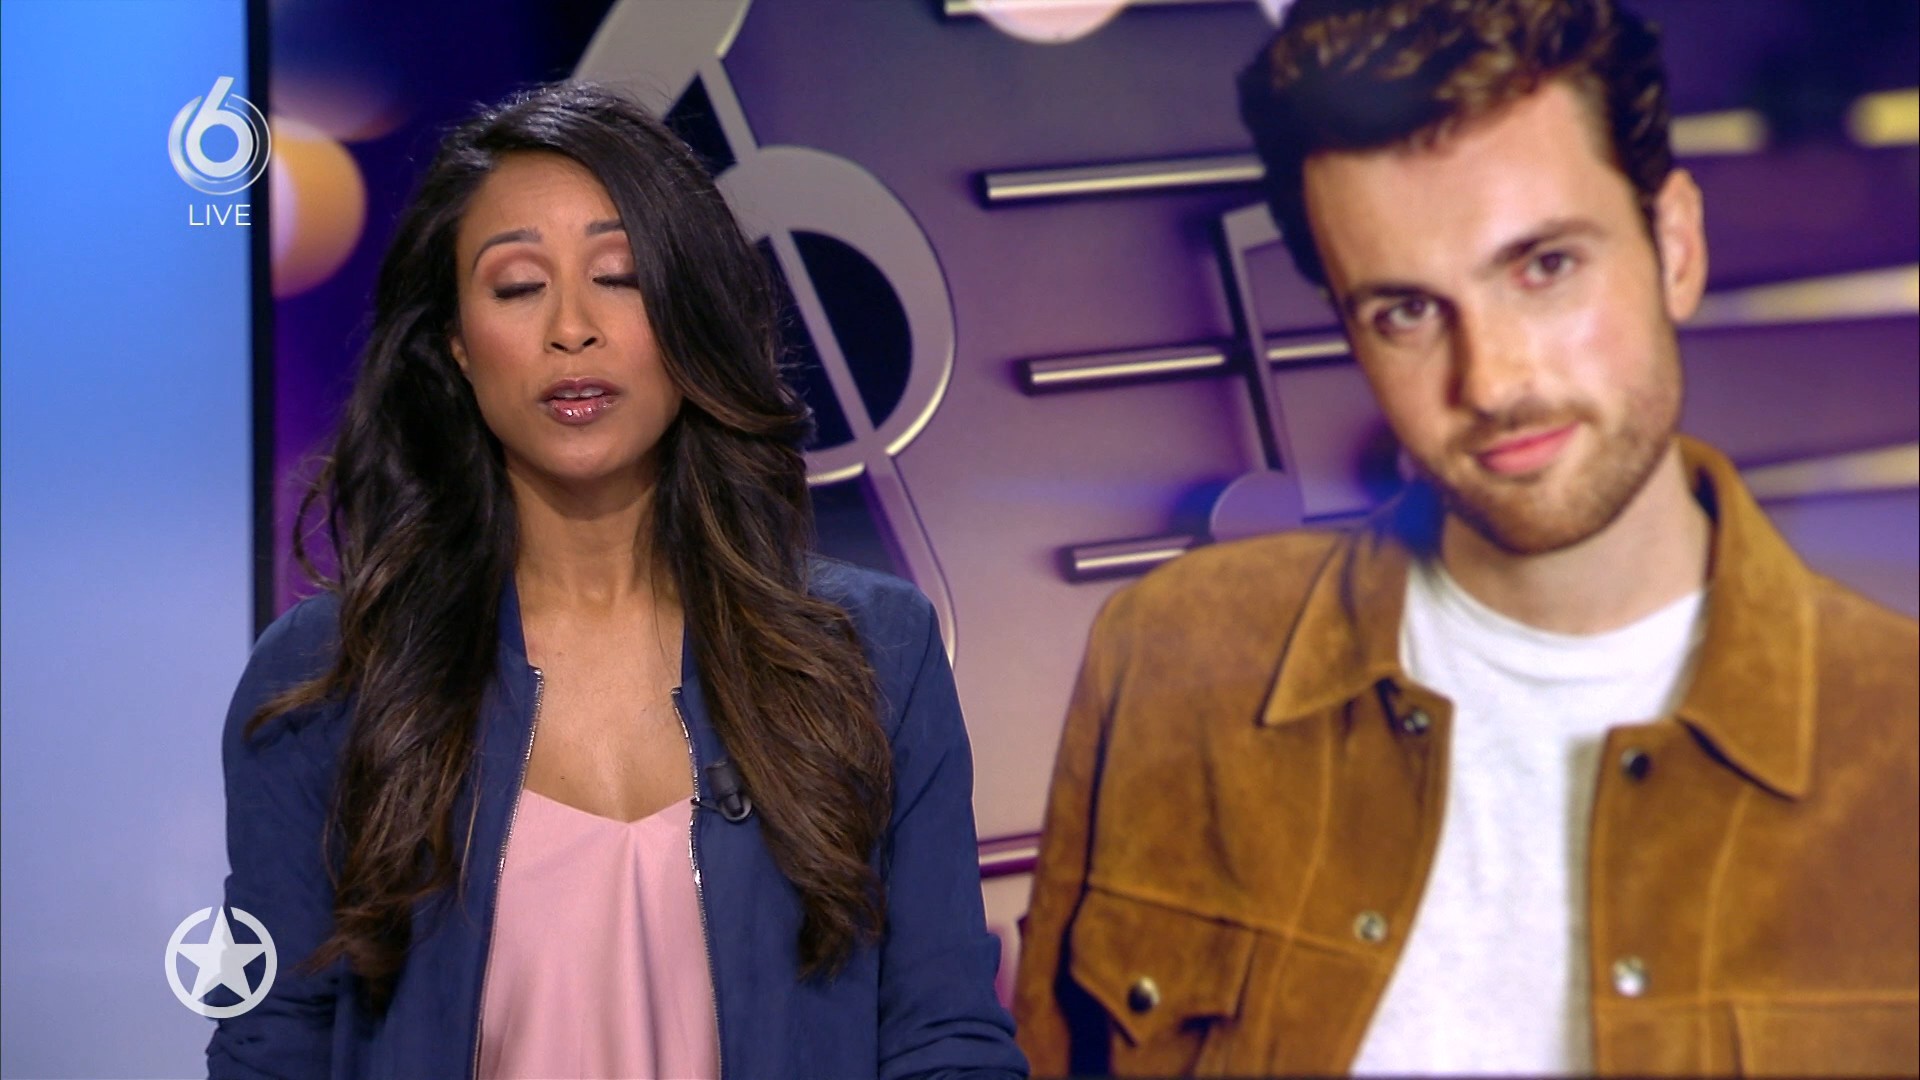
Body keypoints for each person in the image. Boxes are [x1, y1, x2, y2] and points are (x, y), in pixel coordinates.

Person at [1013, 0, 1919, 1075]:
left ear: (1675, 247)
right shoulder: (1173, 657)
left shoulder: (1897, 743)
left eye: (1545, 267)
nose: (1488, 381)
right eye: (1404, 311)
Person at [208, 81, 1026, 1080]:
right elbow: (272, 1046)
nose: (572, 327)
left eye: (621, 276)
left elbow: (945, 1035)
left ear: (688, 315)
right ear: (457, 343)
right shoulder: (329, 679)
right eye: (518, 286)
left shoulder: (874, 654)